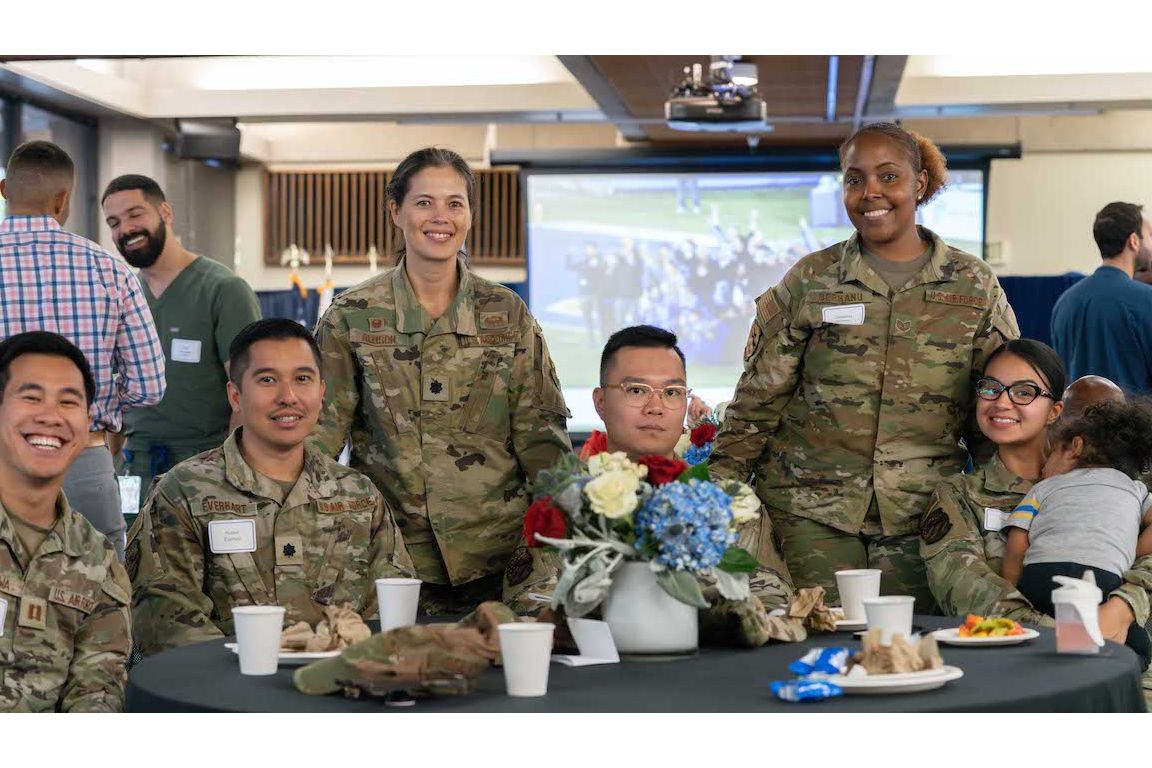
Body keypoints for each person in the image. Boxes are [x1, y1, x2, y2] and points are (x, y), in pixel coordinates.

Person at [710, 122, 1019, 609]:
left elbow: (997, 409)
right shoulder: (812, 279)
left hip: (923, 513)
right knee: (826, 637)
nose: (870, 192)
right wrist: (718, 485)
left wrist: (1001, 505)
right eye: (855, 179)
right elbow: (759, 396)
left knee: (912, 649)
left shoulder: (972, 285)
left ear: (919, 184)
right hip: (811, 507)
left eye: (888, 176)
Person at [312, 147, 572, 615]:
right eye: (424, 202)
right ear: (395, 211)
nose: (441, 217)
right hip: (392, 565)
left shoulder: (505, 314)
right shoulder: (352, 316)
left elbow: (543, 442)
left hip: (503, 564)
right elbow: (319, 444)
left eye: (455, 203)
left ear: (470, 214)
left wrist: (556, 553)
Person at [129, 319, 413, 656]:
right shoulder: (185, 492)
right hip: (229, 693)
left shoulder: (358, 495)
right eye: (267, 380)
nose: (288, 397)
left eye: (302, 379)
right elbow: (166, 620)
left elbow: (391, 606)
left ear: (321, 393)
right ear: (235, 395)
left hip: (339, 689)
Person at [506, 325, 793, 609]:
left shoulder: (725, 498)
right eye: (636, 390)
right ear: (601, 402)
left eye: (671, 392)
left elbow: (773, 597)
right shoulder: (569, 501)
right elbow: (532, 600)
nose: (655, 407)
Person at [921, 342, 1152, 646]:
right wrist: (1068, 633)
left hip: (1126, 669)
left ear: (1055, 411)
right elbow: (966, 591)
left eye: (1024, 392)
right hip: (1016, 661)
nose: (1002, 402)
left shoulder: (1118, 487)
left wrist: (1123, 608)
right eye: (991, 388)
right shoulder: (958, 495)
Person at [0, 141, 165, 562]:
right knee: (97, 592)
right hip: (82, 456)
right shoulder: (109, 269)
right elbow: (149, 386)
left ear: (3, 190)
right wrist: (93, 406)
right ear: (63, 199)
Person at [101, 174, 262, 503]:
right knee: (131, 551)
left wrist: (228, 470)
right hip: (135, 468)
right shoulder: (120, 293)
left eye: (135, 214)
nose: (126, 230)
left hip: (205, 467)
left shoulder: (222, 290)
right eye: (114, 222)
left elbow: (249, 391)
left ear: (166, 213)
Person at [0, 331, 131, 711]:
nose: (50, 416)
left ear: (88, 421)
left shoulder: (97, 562)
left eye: (68, 402)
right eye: (31, 397)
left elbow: (97, 691)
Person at [1001, 399, 1152, 668]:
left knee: (1042, 635)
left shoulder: (1043, 488)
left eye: (1051, 454)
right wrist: (1133, 552)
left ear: (1075, 447)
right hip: (1104, 580)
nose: (1044, 467)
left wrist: (1011, 588)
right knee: (1137, 646)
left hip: (1041, 575)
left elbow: (1018, 540)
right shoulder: (1135, 489)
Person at [1051, 202, 1152, 394]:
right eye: (1150, 236)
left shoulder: (1064, 302)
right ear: (1134, 241)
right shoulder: (1147, 300)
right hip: (1133, 423)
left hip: (1075, 422)